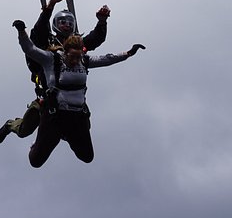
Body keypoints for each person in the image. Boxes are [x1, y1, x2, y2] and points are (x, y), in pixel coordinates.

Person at [13, 21, 145, 167]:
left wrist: (128, 53)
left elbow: (107, 59)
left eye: (78, 56)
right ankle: (40, 141)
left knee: (87, 157)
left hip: (76, 117)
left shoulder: (84, 61)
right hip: (54, 117)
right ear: (65, 52)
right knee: (35, 161)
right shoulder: (51, 59)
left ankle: (66, 135)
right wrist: (22, 32)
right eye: (72, 57)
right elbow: (30, 49)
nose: (75, 61)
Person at [0, 0, 110, 143]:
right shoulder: (47, 42)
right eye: (62, 22)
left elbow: (95, 39)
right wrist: (50, 6)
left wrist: (102, 22)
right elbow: (38, 33)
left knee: (83, 127)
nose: (66, 25)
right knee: (25, 130)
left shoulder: (77, 45)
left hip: (71, 100)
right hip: (48, 97)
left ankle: (64, 134)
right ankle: (10, 125)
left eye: (69, 23)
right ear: (55, 24)